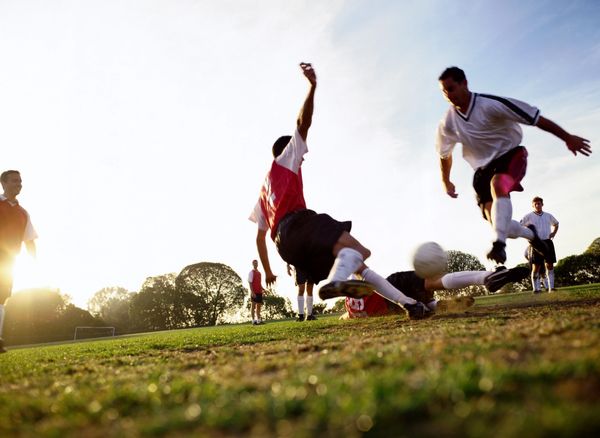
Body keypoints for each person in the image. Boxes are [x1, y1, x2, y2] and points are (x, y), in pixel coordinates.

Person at [249, 63, 430, 320]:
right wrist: (312, 88)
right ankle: (334, 283)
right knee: (360, 250)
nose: (302, 159)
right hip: (298, 225)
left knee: (358, 264)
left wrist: (269, 269)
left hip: (286, 246)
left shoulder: (263, 194)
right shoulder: (286, 158)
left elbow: (259, 239)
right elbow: (303, 123)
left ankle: (409, 305)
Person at [436, 67, 591, 265]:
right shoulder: (448, 123)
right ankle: (531, 236)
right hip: (481, 171)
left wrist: (567, 137)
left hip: (510, 155)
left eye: (451, 88)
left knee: (498, 184)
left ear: (464, 83)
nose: (449, 95)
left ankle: (499, 245)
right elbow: (444, 153)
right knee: (500, 224)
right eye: (444, 92)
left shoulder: (490, 104)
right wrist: (445, 180)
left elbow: (535, 119)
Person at [342, 265, 530, 319]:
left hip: (390, 307)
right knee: (433, 282)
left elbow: (347, 316)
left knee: (416, 305)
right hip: (389, 287)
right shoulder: (350, 295)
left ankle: (436, 305)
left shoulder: (352, 310)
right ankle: (485, 278)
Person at [0, 170, 38, 353]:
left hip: (9, 262)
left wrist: (33, 261)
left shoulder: (23, 213)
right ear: (3, 183)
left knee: (1, 299)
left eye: (20, 181)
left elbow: (29, 239)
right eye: (15, 181)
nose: (19, 184)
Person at [521, 196, 559, 293]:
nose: (538, 205)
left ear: (542, 204)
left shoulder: (548, 215)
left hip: (547, 242)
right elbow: (520, 225)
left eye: (539, 203)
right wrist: (528, 236)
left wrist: (553, 233)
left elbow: (556, 224)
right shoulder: (528, 216)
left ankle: (551, 288)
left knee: (549, 265)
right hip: (536, 243)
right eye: (535, 204)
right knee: (536, 266)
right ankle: (536, 289)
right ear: (533, 206)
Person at [248, 259, 266, 325]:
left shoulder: (259, 273)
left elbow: (259, 283)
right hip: (254, 292)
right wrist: (252, 292)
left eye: (256, 263)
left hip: (259, 292)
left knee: (258, 307)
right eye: (254, 263)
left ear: (258, 264)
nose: (256, 264)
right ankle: (253, 321)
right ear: (253, 264)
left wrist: (263, 289)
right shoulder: (251, 272)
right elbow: (250, 283)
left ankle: (258, 320)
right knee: (253, 306)